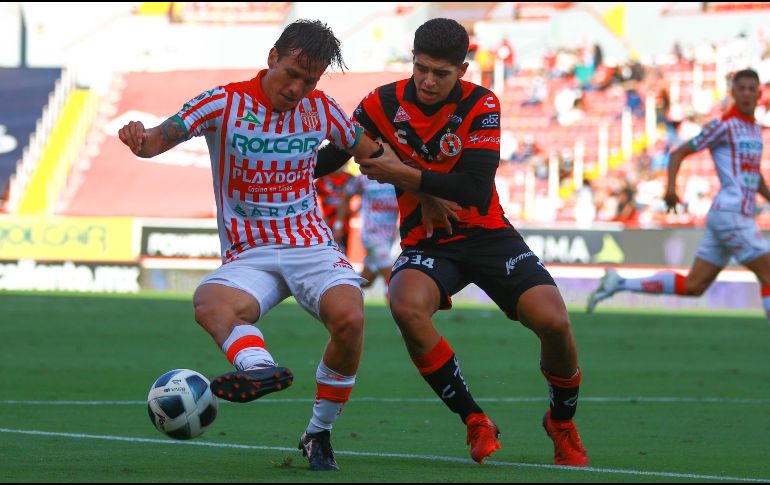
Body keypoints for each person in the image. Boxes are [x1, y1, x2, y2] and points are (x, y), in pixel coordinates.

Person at [118, 20, 394, 472]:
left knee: (350, 318)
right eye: (293, 73)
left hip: (309, 244)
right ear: (272, 57)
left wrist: (422, 186)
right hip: (250, 253)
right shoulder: (222, 102)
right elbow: (156, 141)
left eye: (311, 80)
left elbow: (370, 151)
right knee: (209, 302)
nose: (298, 88)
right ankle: (259, 367)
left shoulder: (320, 109)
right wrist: (138, 138)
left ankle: (318, 432)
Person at [316, 18, 588, 467]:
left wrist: (400, 172)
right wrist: (279, 167)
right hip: (429, 241)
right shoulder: (381, 103)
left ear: (461, 70)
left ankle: (561, 421)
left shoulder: (482, 104)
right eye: (421, 68)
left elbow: (475, 189)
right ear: (413, 60)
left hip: (488, 235)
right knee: (404, 306)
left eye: (440, 73)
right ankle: (474, 419)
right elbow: (336, 155)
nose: (427, 80)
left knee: (555, 322)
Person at [588, 69, 770, 325]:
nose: (747, 93)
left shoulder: (753, 130)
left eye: (753, 89)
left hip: (729, 216)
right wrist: (671, 189)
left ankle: (619, 282)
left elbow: (755, 177)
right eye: (742, 88)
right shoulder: (723, 126)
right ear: (733, 93)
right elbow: (678, 152)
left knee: (694, 285)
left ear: (759, 94)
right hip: (731, 214)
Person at [336, 174, 400, 291]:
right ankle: (400, 308)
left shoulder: (396, 176)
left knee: (366, 281)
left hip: (390, 236)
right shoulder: (364, 179)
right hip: (372, 235)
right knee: (392, 278)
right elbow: (345, 197)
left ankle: (339, 290)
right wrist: (338, 225)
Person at [315, 167, 354, 253]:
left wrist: (356, 210)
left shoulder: (350, 179)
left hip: (344, 225)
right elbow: (314, 201)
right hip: (326, 225)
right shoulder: (322, 180)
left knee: (342, 255)